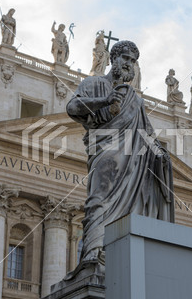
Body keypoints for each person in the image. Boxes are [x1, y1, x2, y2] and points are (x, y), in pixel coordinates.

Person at [66, 40, 174, 263]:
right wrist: (104, 101)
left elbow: (147, 136)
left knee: (130, 213)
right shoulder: (93, 83)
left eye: (133, 61)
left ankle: (119, 255)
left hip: (132, 165)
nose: (129, 64)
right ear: (112, 58)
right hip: (105, 151)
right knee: (99, 199)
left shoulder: (136, 101)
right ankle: (92, 254)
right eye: (125, 58)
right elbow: (72, 108)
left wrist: (161, 156)